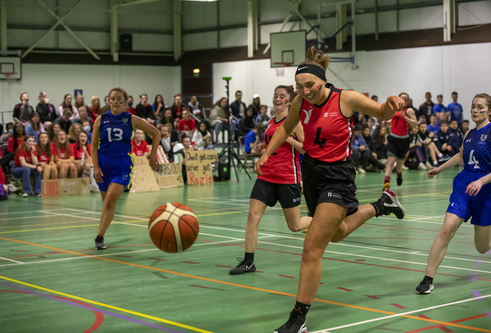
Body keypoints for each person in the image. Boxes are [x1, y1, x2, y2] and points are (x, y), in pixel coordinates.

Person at [255, 46, 406, 333]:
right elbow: (285, 128)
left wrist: (392, 103)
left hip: (338, 177)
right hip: (312, 175)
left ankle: (298, 319)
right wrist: (266, 153)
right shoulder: (300, 102)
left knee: (311, 248)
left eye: (309, 85)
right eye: (299, 86)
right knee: (335, 234)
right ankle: (381, 205)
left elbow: (382, 112)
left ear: (322, 80)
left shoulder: (345, 99)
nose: (305, 90)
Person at [230, 85, 312, 275]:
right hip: (266, 176)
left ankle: (319, 220)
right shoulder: (270, 121)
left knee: (295, 226)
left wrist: (287, 138)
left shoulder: (296, 123)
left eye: (282, 96)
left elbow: (306, 149)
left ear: (289, 100)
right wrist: (262, 147)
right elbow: (271, 143)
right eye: (275, 95)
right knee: (252, 217)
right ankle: (248, 262)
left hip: (287, 177)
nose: (277, 98)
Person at [416, 93, 491, 294]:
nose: (475, 110)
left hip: (485, 188)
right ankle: (428, 278)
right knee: (447, 229)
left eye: (480, 107)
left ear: (489, 111)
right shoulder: (468, 134)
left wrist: (482, 180)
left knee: (482, 248)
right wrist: (440, 168)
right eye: (473, 106)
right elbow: (461, 155)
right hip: (464, 185)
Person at [92, 87, 160, 249]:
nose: (115, 101)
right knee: (107, 204)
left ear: (125, 101)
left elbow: (156, 133)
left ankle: (99, 237)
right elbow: (94, 146)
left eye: (119, 99)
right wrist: (95, 167)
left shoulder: (131, 119)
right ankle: (103, 231)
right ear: (108, 100)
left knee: (109, 200)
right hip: (103, 164)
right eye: (112, 98)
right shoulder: (100, 120)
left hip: (121, 165)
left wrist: (153, 154)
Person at [383, 92, 417, 190]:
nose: (403, 100)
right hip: (393, 138)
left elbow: (414, 124)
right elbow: (395, 120)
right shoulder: (394, 109)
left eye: (405, 99)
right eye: (401, 98)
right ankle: (386, 183)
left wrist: (405, 117)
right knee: (390, 162)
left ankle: (399, 175)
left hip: (403, 140)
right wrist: (386, 122)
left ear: (407, 101)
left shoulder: (409, 110)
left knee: (399, 165)